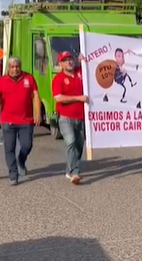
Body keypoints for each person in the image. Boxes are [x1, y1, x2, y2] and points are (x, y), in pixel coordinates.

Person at [0, 57, 40, 186]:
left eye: (17, 66)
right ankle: (13, 174)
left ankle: (21, 160)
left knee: (27, 145)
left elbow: (35, 95)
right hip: (8, 121)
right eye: (12, 67)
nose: (15, 69)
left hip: (26, 120)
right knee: (9, 148)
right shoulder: (1, 81)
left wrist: (38, 113)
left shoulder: (29, 78)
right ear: (8, 67)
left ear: (20, 66)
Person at [52, 51, 87, 185]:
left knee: (79, 145)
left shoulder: (80, 73)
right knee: (71, 141)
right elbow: (59, 98)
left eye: (70, 59)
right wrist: (78, 98)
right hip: (65, 117)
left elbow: (93, 68)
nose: (69, 62)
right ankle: (75, 172)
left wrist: (84, 60)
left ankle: (70, 168)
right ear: (60, 64)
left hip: (81, 117)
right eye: (65, 60)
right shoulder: (58, 79)